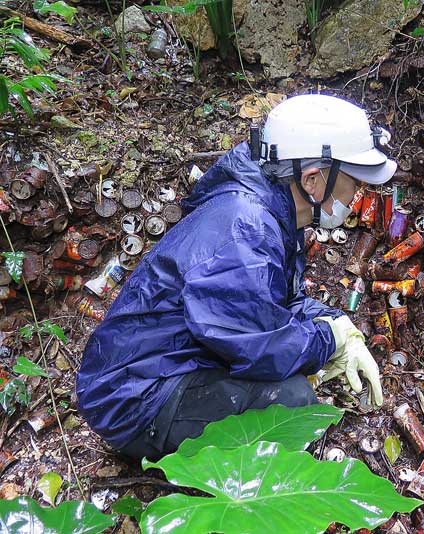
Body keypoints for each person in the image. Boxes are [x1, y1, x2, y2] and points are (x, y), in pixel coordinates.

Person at [77, 94, 395, 460]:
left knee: (290, 387)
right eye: (354, 182)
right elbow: (258, 343)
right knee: (291, 402)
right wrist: (328, 341)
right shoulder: (247, 226)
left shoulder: (268, 210)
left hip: (158, 371)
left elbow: (275, 304)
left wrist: (339, 325)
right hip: (136, 399)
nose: (358, 194)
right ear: (312, 180)